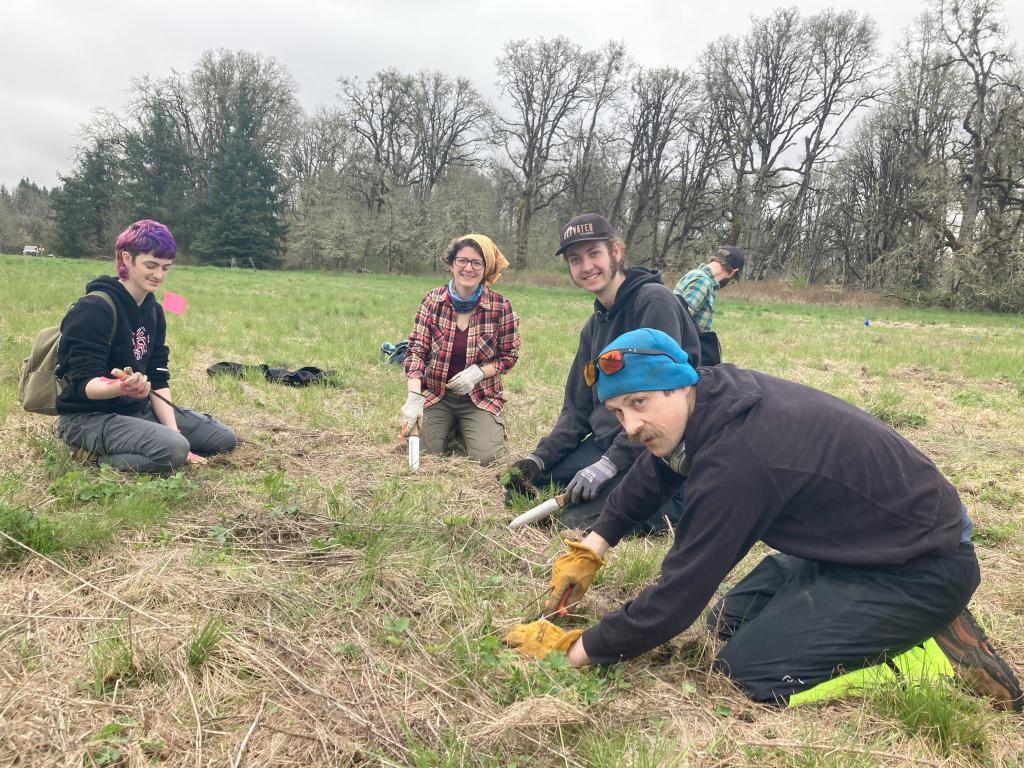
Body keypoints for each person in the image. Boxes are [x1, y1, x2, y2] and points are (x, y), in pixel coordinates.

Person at [504, 328, 1022, 712]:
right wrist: (594, 544)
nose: (632, 425)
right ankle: (879, 619)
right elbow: (656, 467)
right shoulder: (709, 396)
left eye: (639, 404)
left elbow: (677, 597)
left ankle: (925, 653)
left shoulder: (739, 461)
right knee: (724, 625)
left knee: (750, 676)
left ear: (678, 385)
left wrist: (577, 650)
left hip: (924, 563)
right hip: (861, 544)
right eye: (619, 413)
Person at [502, 213, 700, 532]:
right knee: (518, 488)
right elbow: (576, 409)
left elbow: (657, 406)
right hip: (607, 441)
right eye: (575, 259)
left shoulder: (654, 302)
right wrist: (539, 459)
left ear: (616, 251)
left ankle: (677, 500)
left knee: (572, 522)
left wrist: (609, 465)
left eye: (594, 253)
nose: (586, 266)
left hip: (655, 446)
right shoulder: (593, 328)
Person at [55, 220, 237, 473]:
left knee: (223, 439)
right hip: (87, 417)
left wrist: (175, 432)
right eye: (151, 265)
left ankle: (164, 441)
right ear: (127, 259)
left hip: (136, 411)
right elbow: (84, 385)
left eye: (166, 267)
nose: (159, 275)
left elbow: (159, 376)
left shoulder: (154, 311)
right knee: (172, 451)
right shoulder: (94, 309)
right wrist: (121, 387)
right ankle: (93, 457)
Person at [399, 234, 520, 466]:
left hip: (479, 398)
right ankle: (448, 425)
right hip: (438, 395)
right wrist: (414, 396)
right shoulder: (432, 302)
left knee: (489, 458)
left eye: (477, 262)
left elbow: (509, 356)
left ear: (486, 269)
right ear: (452, 264)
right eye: (462, 260)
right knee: (425, 455)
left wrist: (479, 372)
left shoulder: (500, 307)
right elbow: (416, 351)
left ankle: (474, 425)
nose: (468, 268)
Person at [673, 245, 744, 366]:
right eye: (732, 280)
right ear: (733, 272)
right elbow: (679, 321)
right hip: (685, 358)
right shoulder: (702, 282)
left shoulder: (695, 274)